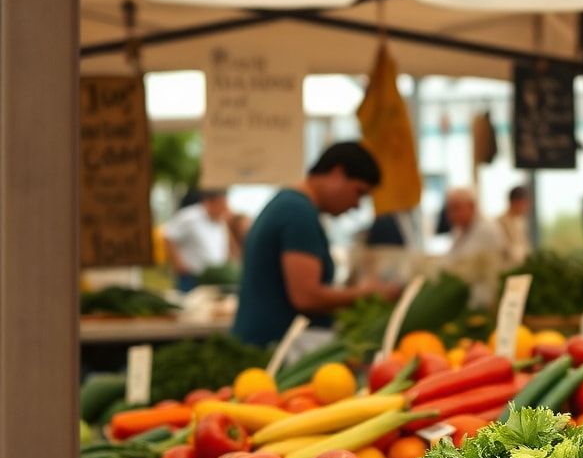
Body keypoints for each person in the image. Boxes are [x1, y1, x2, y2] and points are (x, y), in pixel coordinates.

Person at [232, 142, 402, 347]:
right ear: (337, 173)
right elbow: (306, 297)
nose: (357, 205)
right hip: (275, 349)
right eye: (359, 192)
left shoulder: (289, 204)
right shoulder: (298, 213)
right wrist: (366, 293)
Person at [161, 188, 240, 292]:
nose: (225, 207)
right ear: (211, 202)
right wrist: (178, 263)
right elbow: (168, 235)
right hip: (191, 277)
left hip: (214, 278)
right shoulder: (190, 216)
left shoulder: (220, 220)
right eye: (222, 203)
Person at [444, 189, 507, 260]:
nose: (451, 214)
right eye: (449, 209)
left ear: (472, 206)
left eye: (456, 208)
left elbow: (467, 260)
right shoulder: (459, 229)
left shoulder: (486, 228)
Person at [497, 185, 532, 266]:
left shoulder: (521, 221)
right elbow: (508, 250)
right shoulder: (500, 222)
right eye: (526, 203)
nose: (527, 207)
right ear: (516, 202)